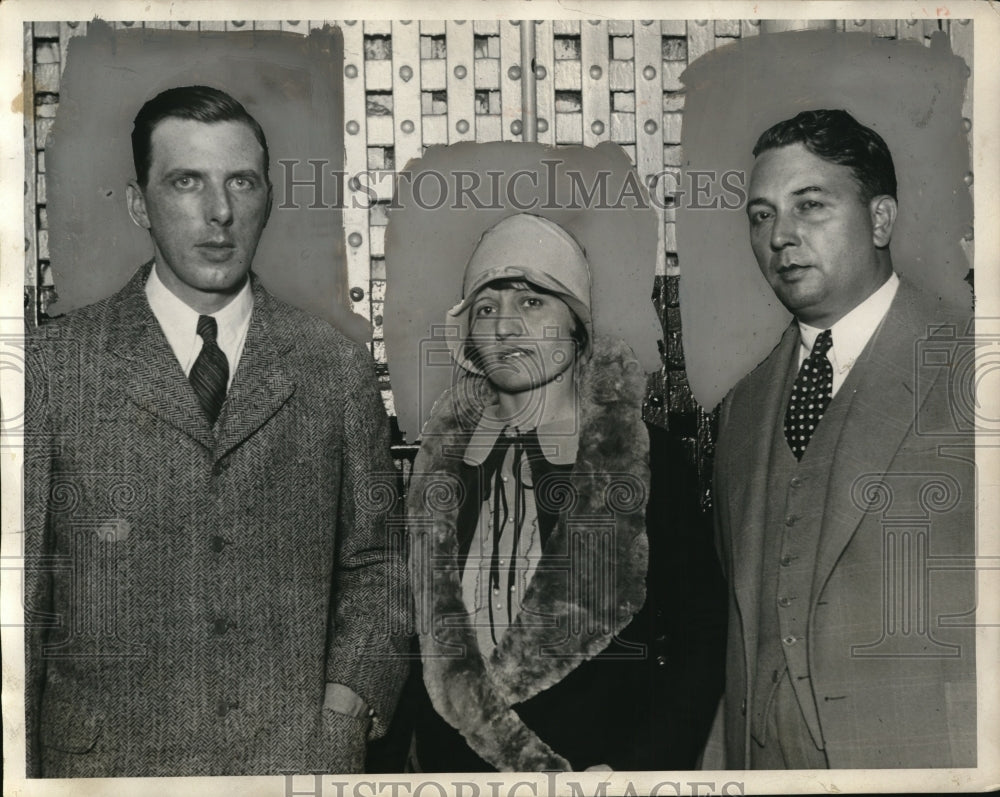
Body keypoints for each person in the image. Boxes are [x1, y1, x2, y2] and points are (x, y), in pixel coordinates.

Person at [23, 85, 408, 777]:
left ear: (268, 197)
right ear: (140, 203)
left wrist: (349, 702)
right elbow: (18, 591)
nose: (219, 212)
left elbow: (381, 563)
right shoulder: (54, 368)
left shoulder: (333, 365)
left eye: (241, 182)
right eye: (185, 182)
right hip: (105, 770)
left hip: (293, 761)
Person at [406, 213, 726, 771]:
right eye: (486, 308)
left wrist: (637, 771)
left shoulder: (647, 460)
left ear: (576, 327)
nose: (505, 326)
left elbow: (701, 637)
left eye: (531, 303)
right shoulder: (438, 474)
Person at [709, 109, 976, 768]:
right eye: (762, 215)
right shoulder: (741, 409)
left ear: (881, 219)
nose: (782, 236)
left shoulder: (973, 366)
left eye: (810, 206)